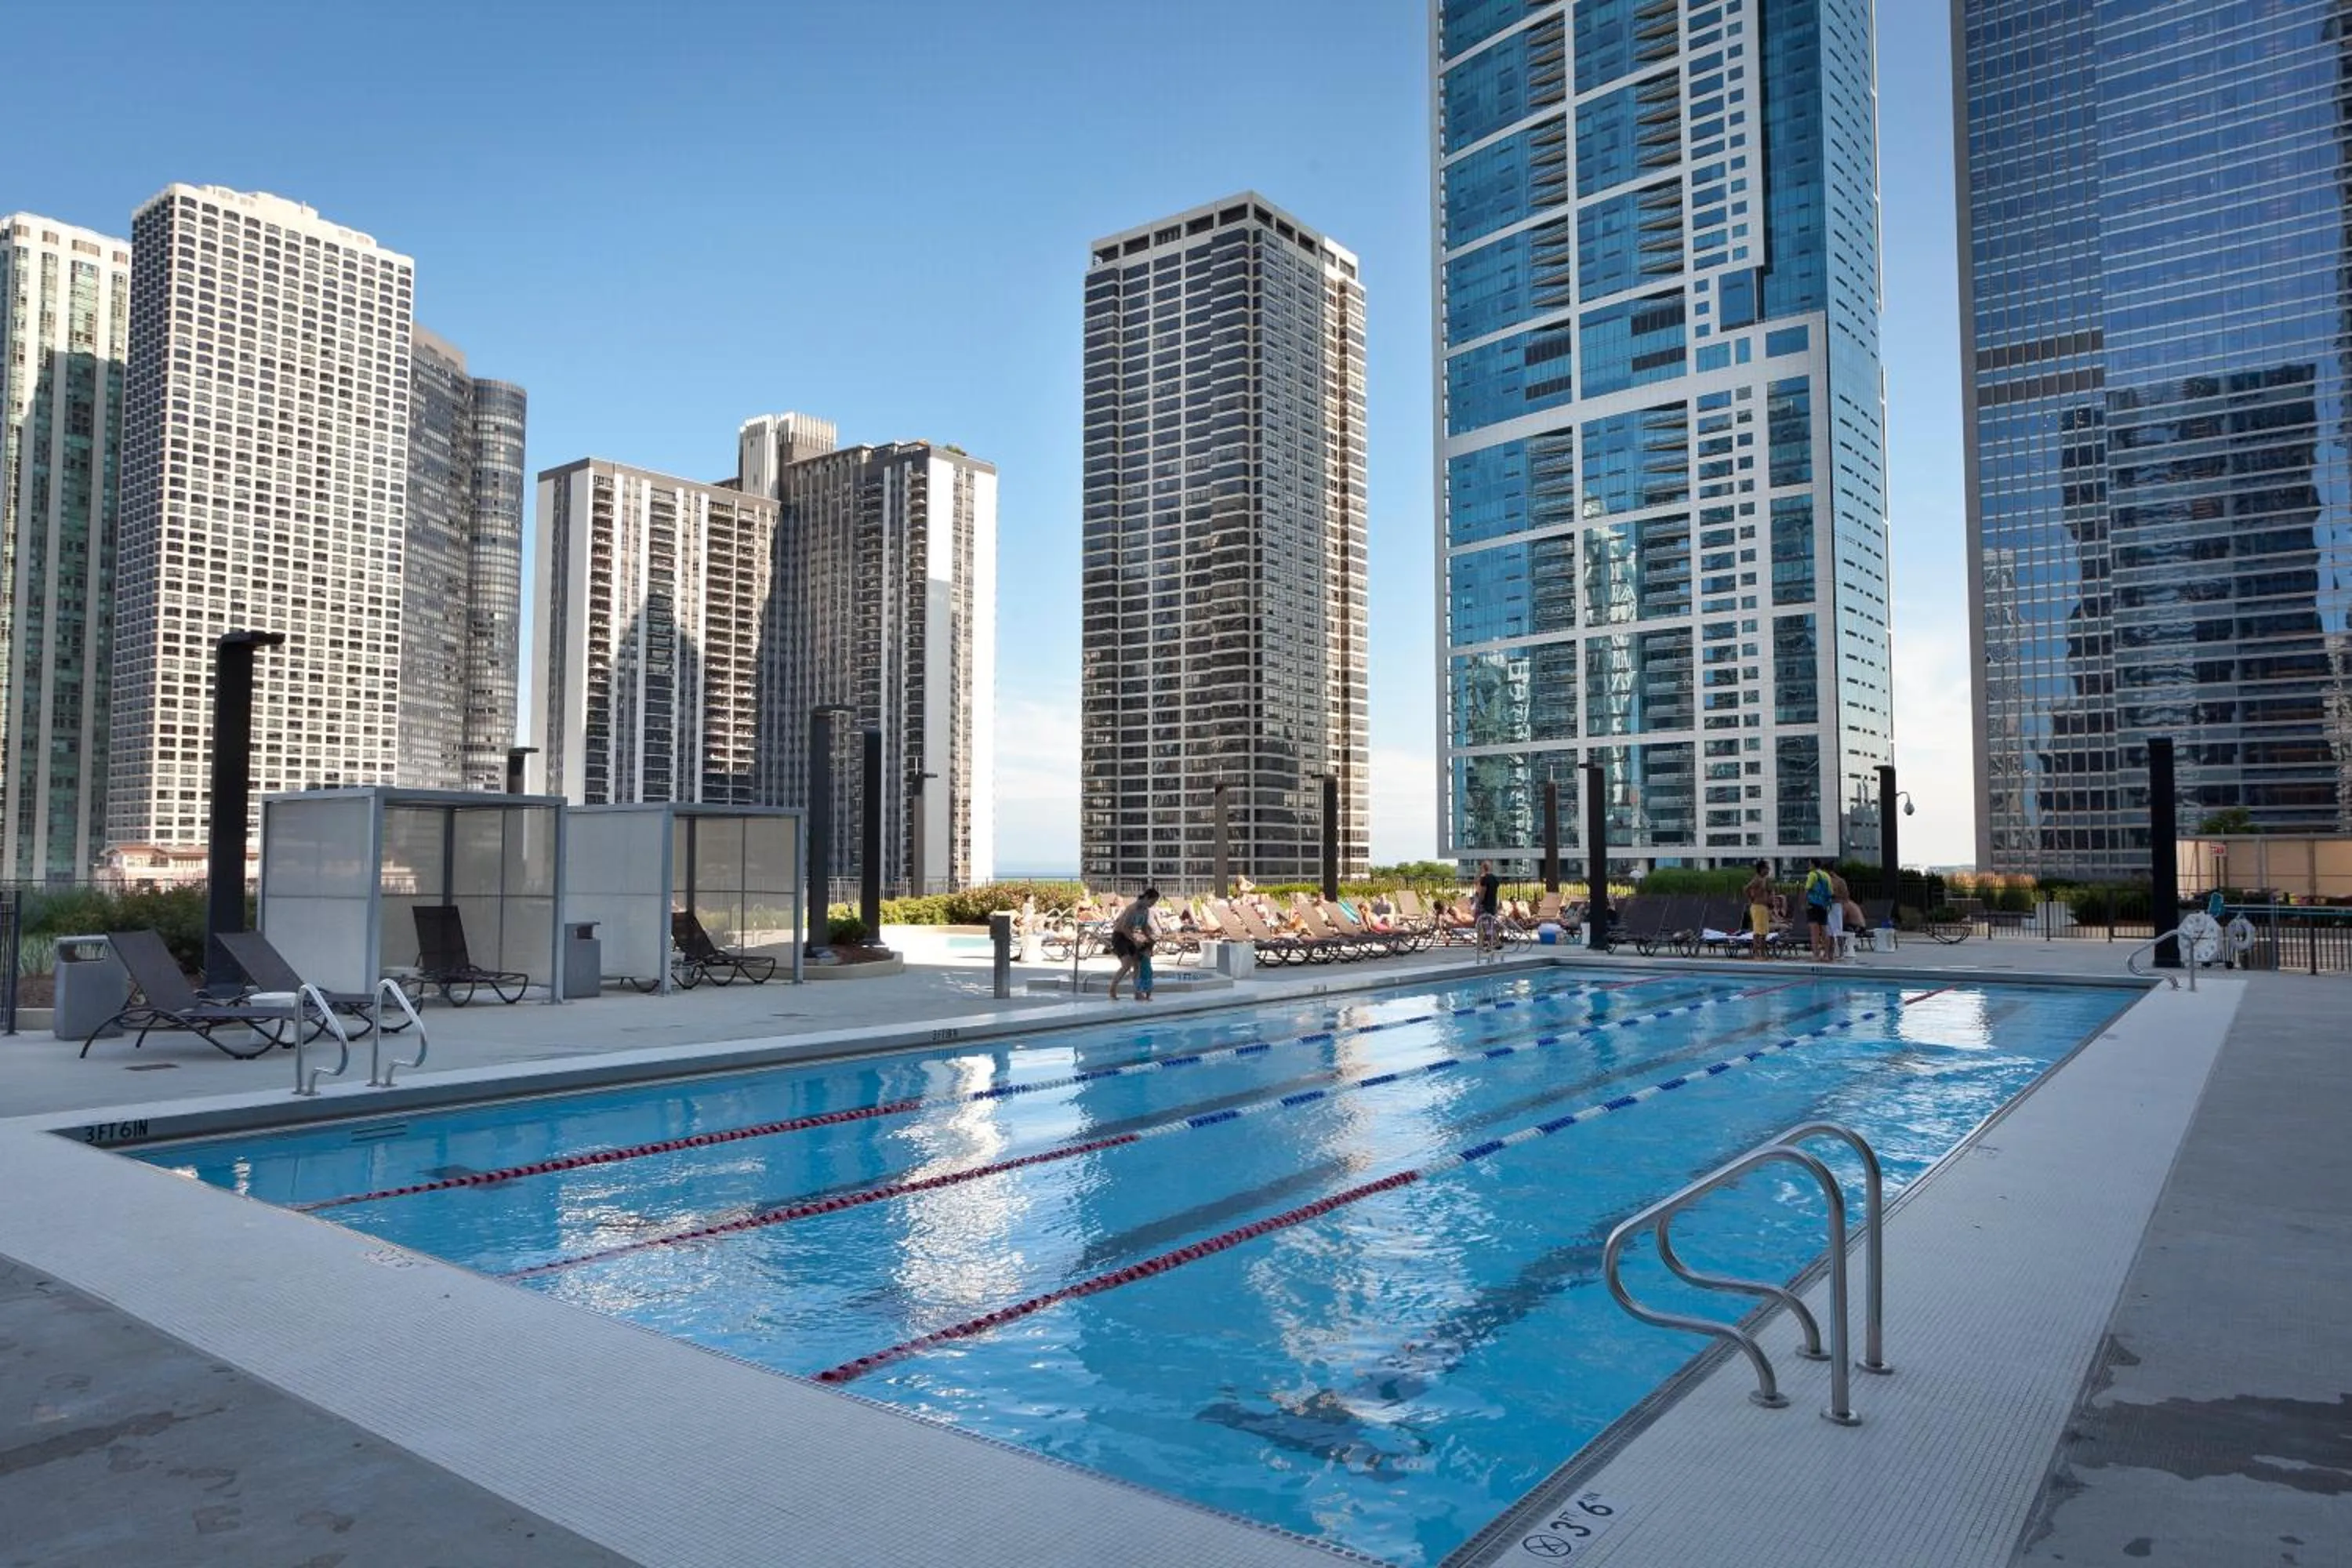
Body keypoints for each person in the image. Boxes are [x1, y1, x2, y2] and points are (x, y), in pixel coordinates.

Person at [1108, 887, 1161, 1001]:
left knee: (1137, 965)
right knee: (1127, 964)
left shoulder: (1145, 911)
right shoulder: (1132, 909)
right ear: (1147, 898)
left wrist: (1149, 938)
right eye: (1152, 901)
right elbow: (1124, 927)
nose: (1153, 904)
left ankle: (1137, 993)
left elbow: (1144, 928)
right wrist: (1135, 939)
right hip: (1120, 937)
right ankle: (1113, 989)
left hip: (1130, 937)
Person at [1740, 859, 1776, 960]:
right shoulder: (1757, 879)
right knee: (1758, 932)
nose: (1768, 870)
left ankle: (1763, 954)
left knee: (1763, 932)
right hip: (1758, 907)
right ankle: (1757, 954)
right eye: (1767, 868)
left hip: (1763, 907)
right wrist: (1751, 899)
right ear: (1762, 869)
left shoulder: (1764, 879)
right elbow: (1746, 888)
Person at [1802, 858, 1836, 961]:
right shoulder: (1826, 876)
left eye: (1809, 864)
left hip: (1813, 905)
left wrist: (1804, 903)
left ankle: (1816, 955)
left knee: (1814, 932)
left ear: (1813, 865)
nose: (1808, 866)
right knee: (1824, 930)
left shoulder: (1812, 875)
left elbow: (1807, 889)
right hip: (1824, 906)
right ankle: (1826, 955)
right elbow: (1831, 893)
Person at [1826, 864, 1853, 960]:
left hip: (1836, 906)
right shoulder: (1827, 880)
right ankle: (1830, 953)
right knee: (1830, 931)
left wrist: (1836, 896)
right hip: (1828, 906)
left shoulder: (1840, 881)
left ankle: (1841, 952)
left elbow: (1846, 896)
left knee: (1837, 930)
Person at [1474, 859, 1502, 953]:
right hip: (1492, 904)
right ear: (1491, 867)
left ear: (1483, 868)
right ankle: (1496, 943)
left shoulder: (1485, 879)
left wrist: (1478, 903)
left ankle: (1481, 945)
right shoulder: (1495, 878)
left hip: (1485, 905)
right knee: (1490, 925)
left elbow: (1482, 893)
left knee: (1481, 925)